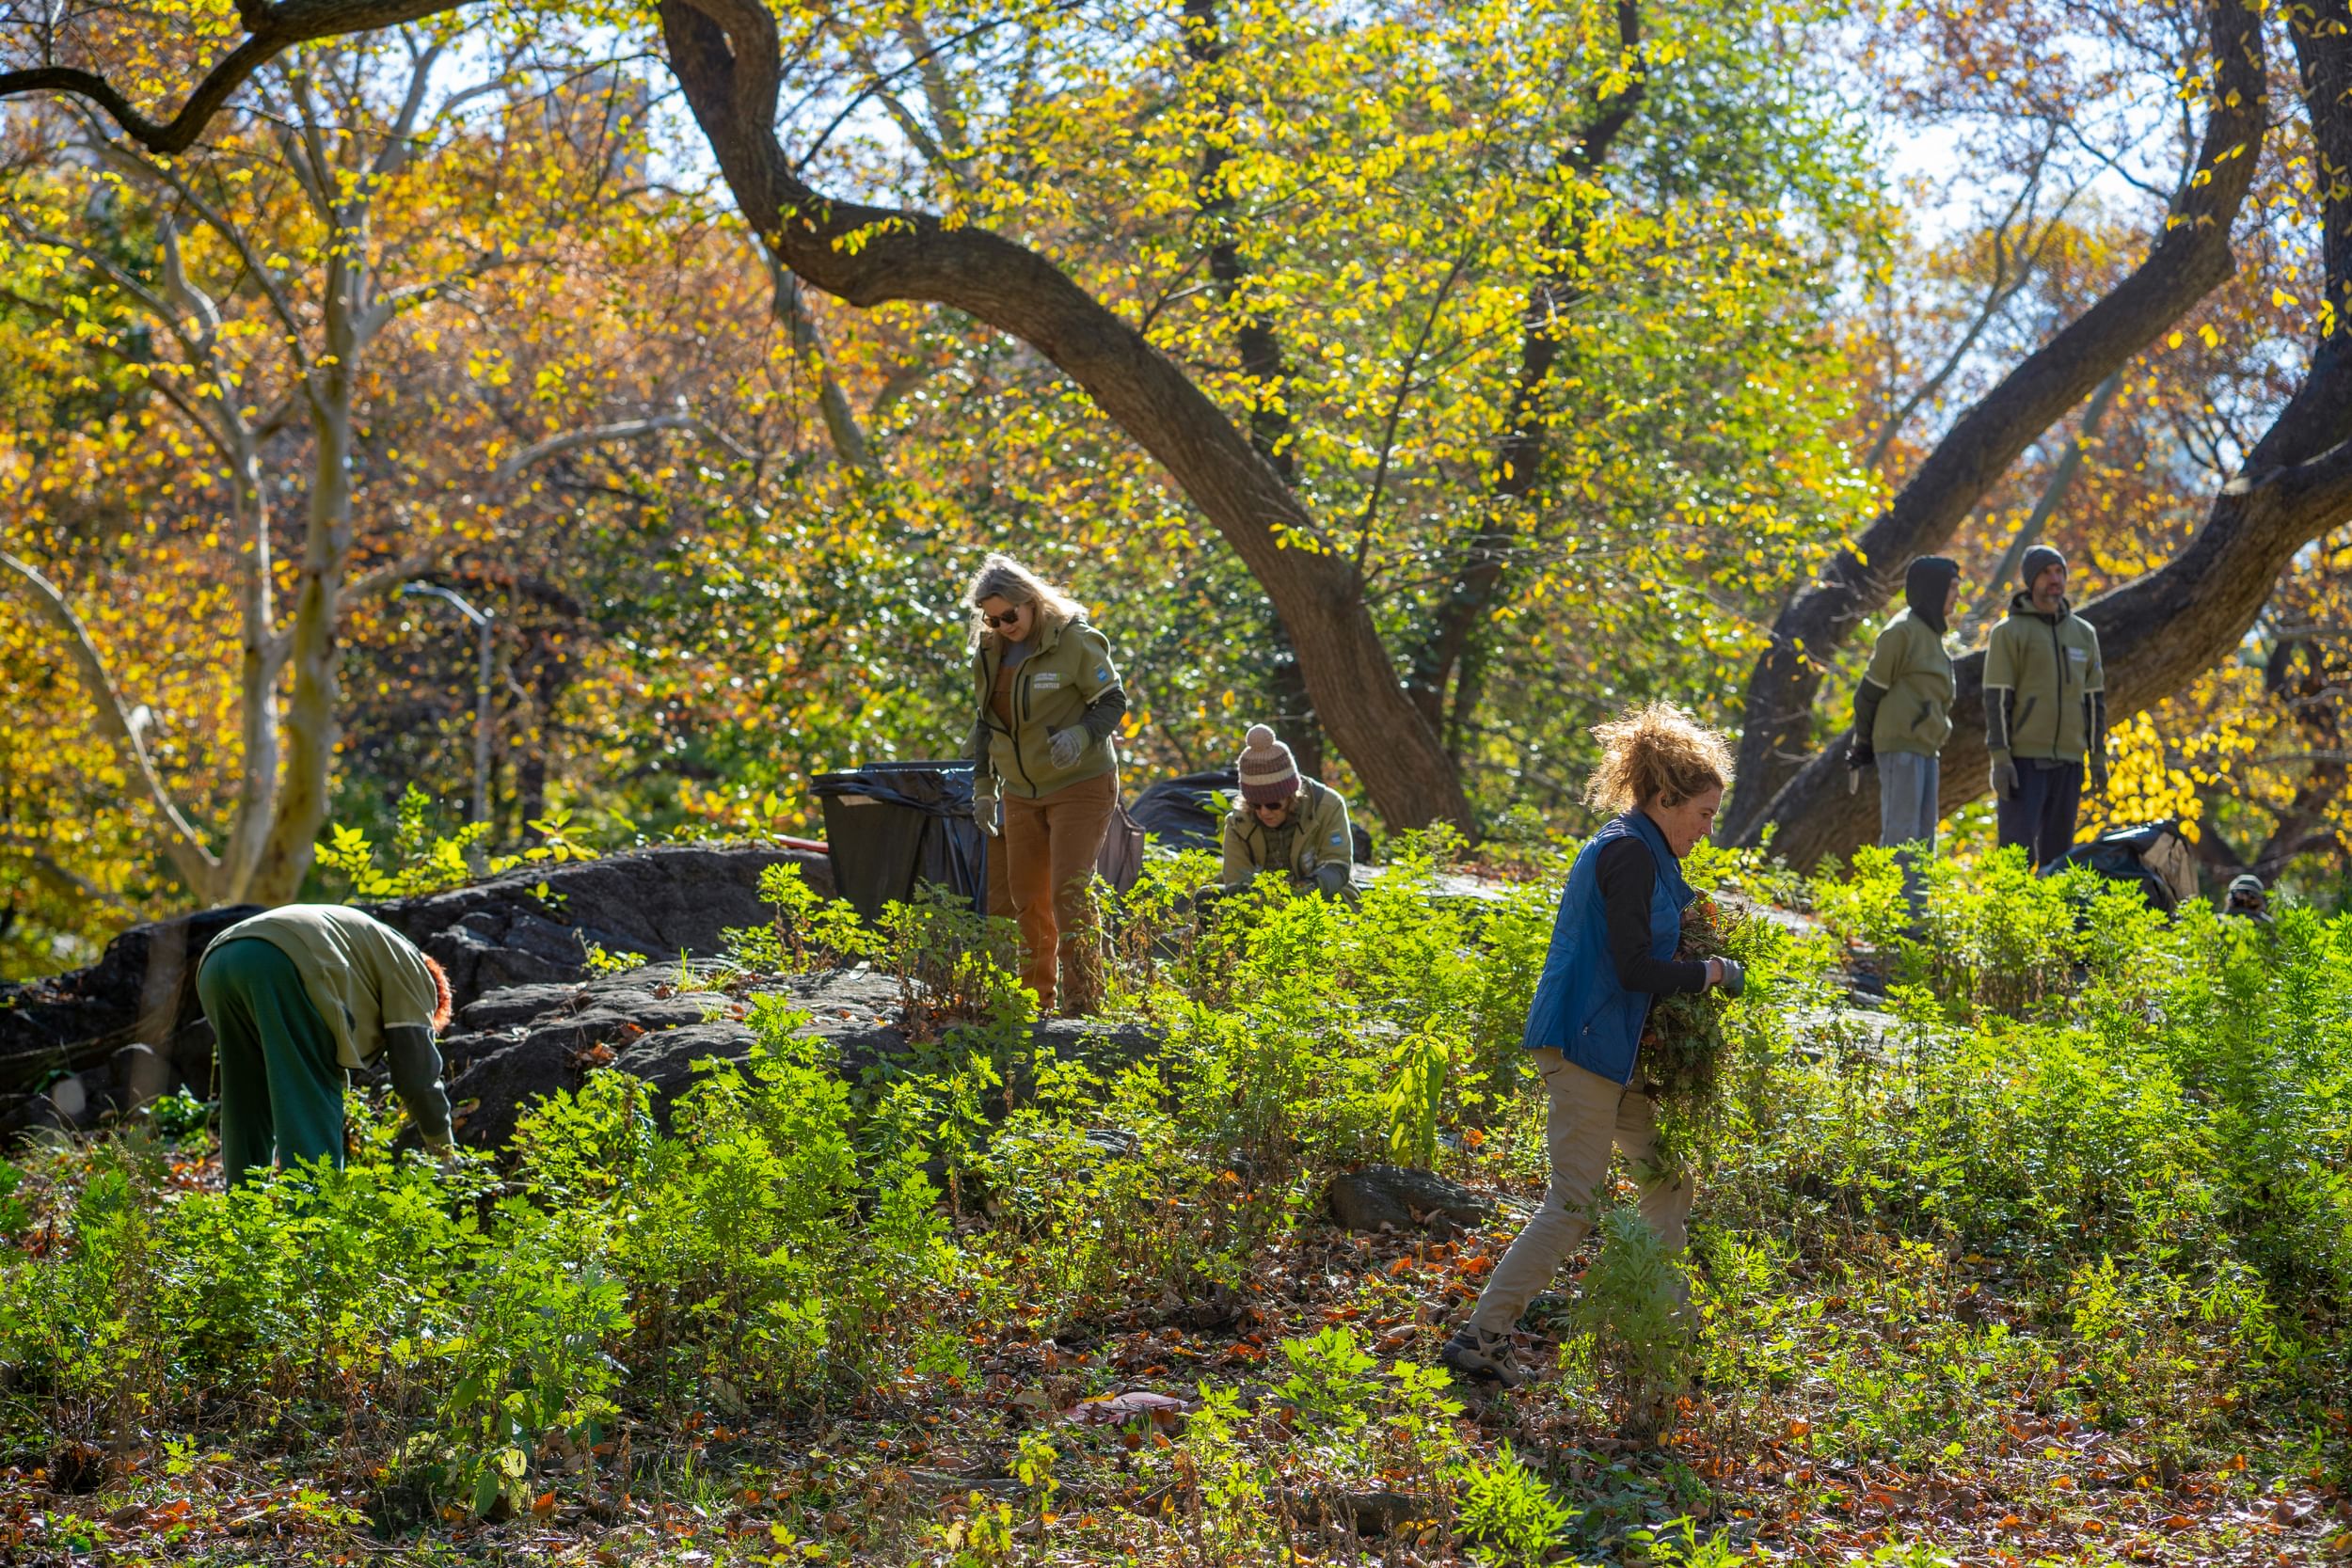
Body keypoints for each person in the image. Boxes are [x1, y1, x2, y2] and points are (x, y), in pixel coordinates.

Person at [1442, 703, 1746, 1387]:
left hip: (1615, 1052)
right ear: (1666, 798)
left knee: (1668, 1179)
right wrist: (1714, 972)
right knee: (1574, 1203)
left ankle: (1668, 1341)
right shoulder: (1626, 853)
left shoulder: (1650, 855)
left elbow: (1659, 930)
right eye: (1702, 813)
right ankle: (1481, 1338)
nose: (1706, 828)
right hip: (1584, 1046)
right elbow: (1637, 967)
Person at [967, 553, 1129, 1015]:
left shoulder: (1075, 641)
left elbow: (1113, 700)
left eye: (1009, 615)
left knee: (1069, 892)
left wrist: (1081, 735)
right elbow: (985, 724)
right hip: (1021, 790)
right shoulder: (989, 650)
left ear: (1032, 602)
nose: (1002, 625)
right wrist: (984, 787)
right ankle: (1034, 1002)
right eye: (991, 618)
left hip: (1081, 782)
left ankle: (1083, 1003)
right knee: (1026, 897)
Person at [195, 904, 454, 1186]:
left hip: (217, 962)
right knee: (309, 1093)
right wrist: (444, 1151)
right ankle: (314, 1221)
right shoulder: (414, 972)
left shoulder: (374, 946)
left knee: (245, 1098)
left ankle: (243, 1214)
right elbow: (417, 1076)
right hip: (283, 961)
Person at [1846, 557, 1959, 915]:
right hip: (1900, 748)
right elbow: (1868, 693)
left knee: (1924, 836)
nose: (1957, 595)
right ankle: (1891, 920)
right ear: (1934, 589)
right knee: (1901, 834)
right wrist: (1863, 743)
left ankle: (1915, 918)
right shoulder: (1902, 631)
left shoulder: (1933, 636)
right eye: (1952, 587)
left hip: (1927, 749)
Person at [1985, 545, 2106, 868]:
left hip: (2070, 761)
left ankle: (2050, 920)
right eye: (2046, 573)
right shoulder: (2008, 633)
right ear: (2031, 580)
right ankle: (2008, 918)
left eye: (2059, 572)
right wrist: (2000, 758)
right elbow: (1996, 700)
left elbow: (2094, 702)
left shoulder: (2084, 634)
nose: (2055, 579)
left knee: (2060, 859)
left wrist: (2097, 757)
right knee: (2016, 856)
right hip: (2023, 763)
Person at [1214, 724, 1358, 902]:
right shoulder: (1238, 821)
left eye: (1273, 805)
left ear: (1292, 796)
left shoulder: (1327, 805)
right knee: (1207, 897)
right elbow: (1236, 881)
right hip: (1263, 901)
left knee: (1336, 900)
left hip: (1319, 895)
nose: (1264, 812)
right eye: (1255, 805)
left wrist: (1300, 893)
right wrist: (1262, 902)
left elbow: (1337, 867)